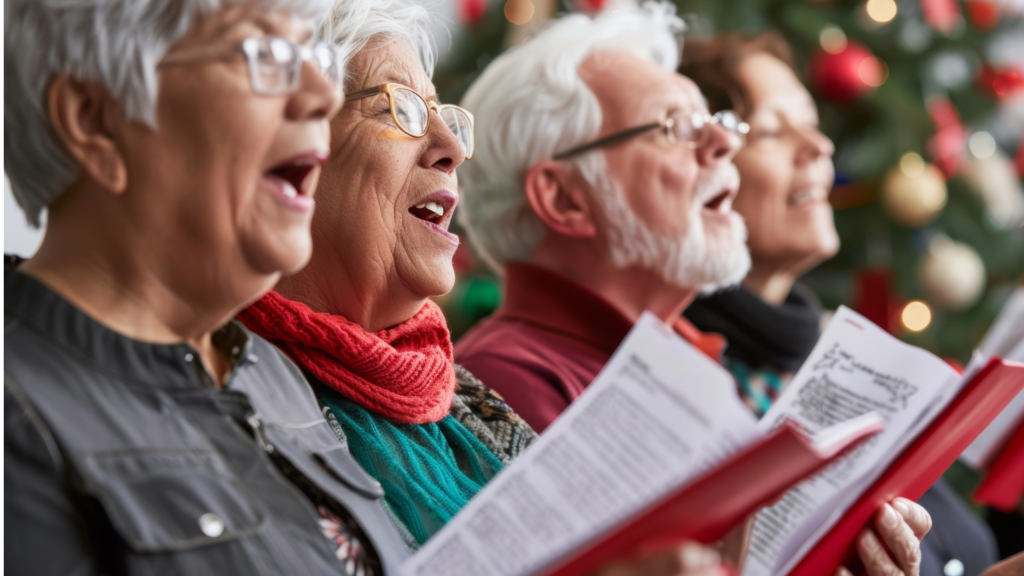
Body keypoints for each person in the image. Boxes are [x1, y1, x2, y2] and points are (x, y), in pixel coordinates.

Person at [235, 1, 730, 574]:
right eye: (404, 109)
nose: (453, 146)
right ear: (291, 152)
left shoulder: (458, 392)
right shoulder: (226, 390)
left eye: (444, 114)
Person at [454, 3, 931, 576]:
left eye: (718, 122)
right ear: (564, 199)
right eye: (677, 128)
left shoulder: (689, 361)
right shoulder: (505, 387)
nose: (724, 145)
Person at [2, 0, 419, 574]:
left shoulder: (271, 373)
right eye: (267, 55)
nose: (322, 96)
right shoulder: (16, 423)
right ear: (94, 119)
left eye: (313, 58)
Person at [678, 32, 1000, 576]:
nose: (820, 145)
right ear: (704, 167)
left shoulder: (841, 361)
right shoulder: (687, 383)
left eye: (812, 122)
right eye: (775, 130)